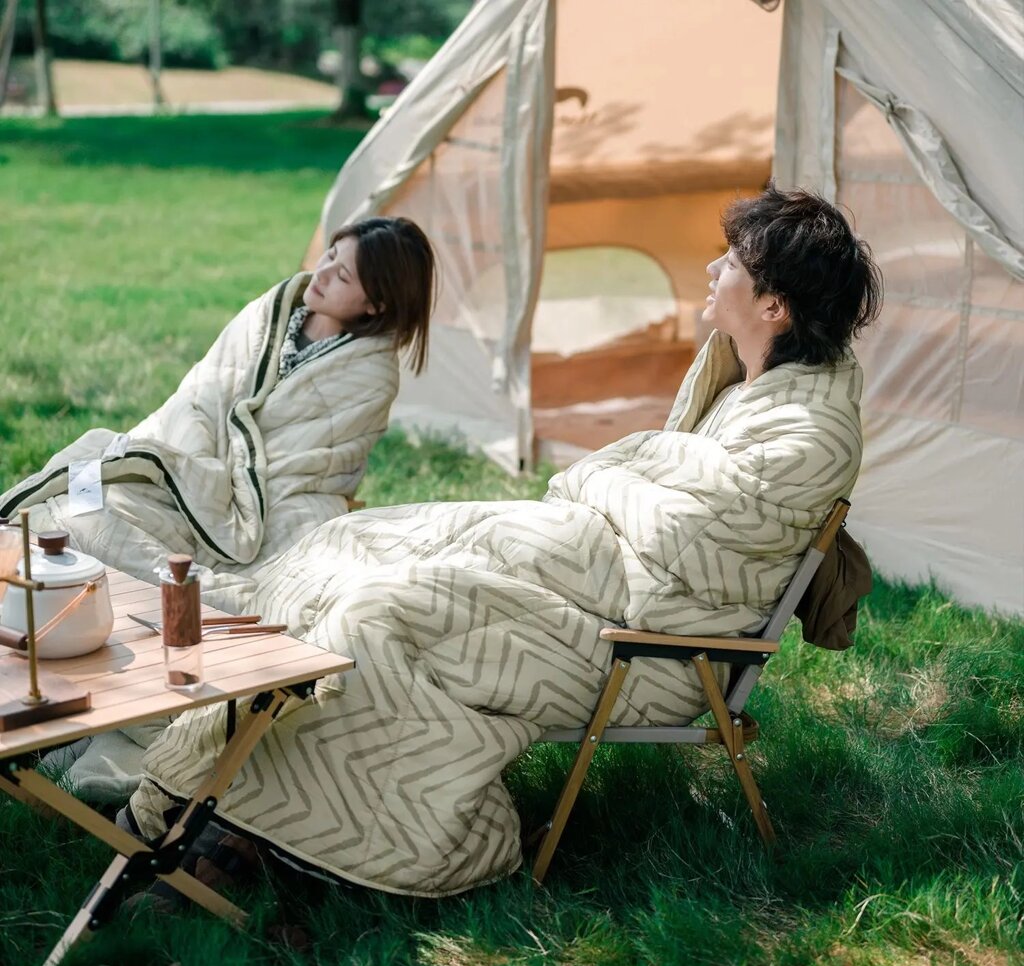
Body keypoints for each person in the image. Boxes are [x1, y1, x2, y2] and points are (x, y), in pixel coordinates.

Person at [125, 183, 881, 900]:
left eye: (733, 265)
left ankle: (292, 832)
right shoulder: (748, 377)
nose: (713, 269)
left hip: (651, 647)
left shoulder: (808, 431)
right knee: (354, 541)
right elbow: (662, 500)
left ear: (774, 306)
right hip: (596, 581)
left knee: (384, 614)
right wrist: (634, 472)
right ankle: (227, 783)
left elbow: (684, 541)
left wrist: (614, 467)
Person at [0, 216, 436, 607]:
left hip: (278, 501)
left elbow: (312, 459)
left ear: (376, 304)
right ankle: (163, 572)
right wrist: (197, 470)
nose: (320, 273)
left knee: (277, 583)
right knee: (80, 497)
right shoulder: (270, 311)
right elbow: (202, 393)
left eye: (342, 275)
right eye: (329, 254)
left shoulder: (370, 375)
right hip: (190, 465)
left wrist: (230, 485)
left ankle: (191, 590)